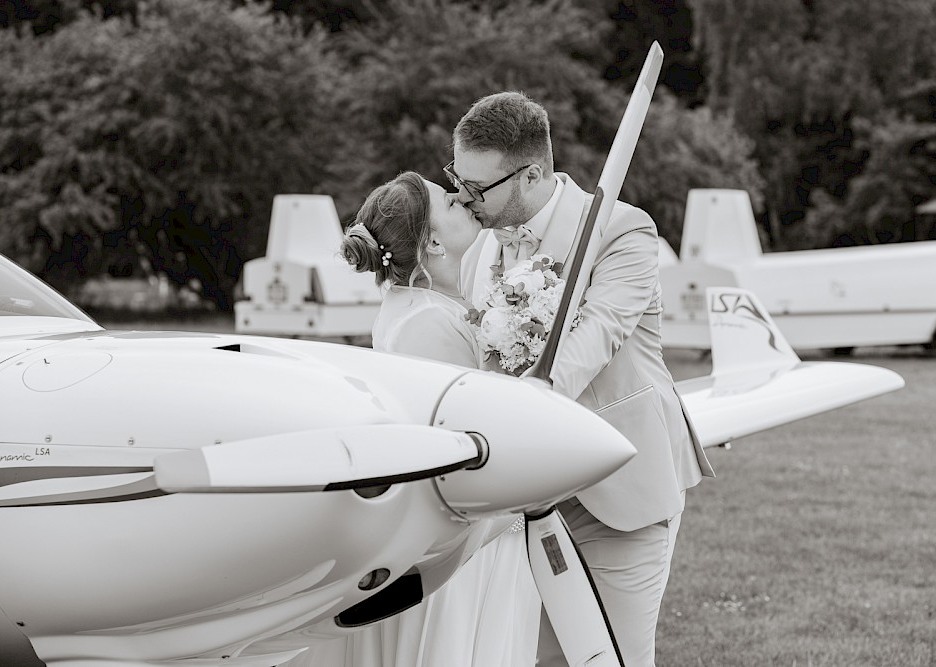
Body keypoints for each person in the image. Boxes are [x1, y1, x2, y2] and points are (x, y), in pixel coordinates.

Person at [449, 92, 715, 666]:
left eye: (477, 187)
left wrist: (535, 399)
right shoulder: (479, 253)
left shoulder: (621, 231)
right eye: (457, 179)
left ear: (532, 174)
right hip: (524, 500)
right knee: (537, 656)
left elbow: (600, 332)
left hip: (621, 490)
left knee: (610, 658)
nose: (462, 198)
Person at [285, 171, 540, 667]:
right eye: (449, 200)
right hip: (466, 538)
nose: (462, 198)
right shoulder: (426, 324)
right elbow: (466, 442)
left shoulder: (428, 306)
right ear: (433, 241)